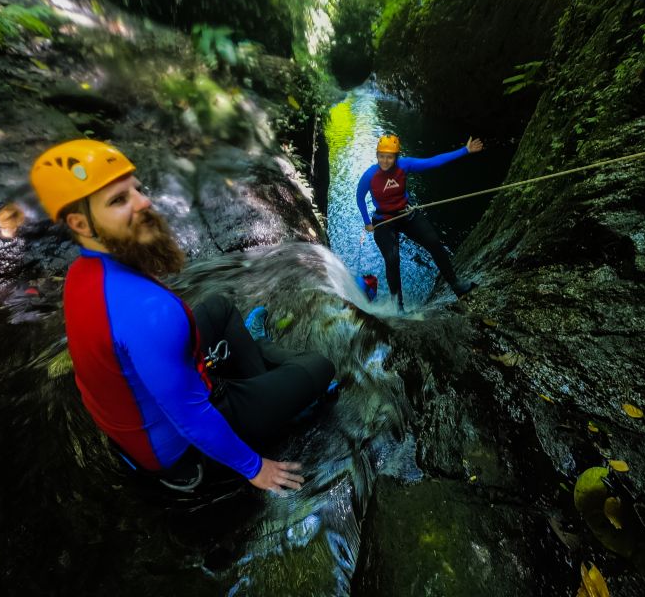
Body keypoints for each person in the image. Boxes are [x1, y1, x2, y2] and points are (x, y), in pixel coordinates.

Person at [30, 139, 335, 494]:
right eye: (118, 200)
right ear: (80, 223)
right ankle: (266, 369)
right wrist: (254, 467)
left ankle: (264, 383)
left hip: (134, 419)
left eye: (137, 190)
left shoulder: (82, 274)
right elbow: (191, 415)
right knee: (320, 366)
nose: (144, 202)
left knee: (219, 306)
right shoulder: (151, 313)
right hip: (176, 446)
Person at [356, 133, 484, 311]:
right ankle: (397, 307)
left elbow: (433, 162)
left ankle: (456, 285)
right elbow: (359, 197)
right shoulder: (370, 175)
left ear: (396, 156)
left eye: (390, 157)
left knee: (433, 242)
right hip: (384, 221)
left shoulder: (404, 165)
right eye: (381, 156)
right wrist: (366, 221)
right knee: (392, 259)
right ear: (377, 155)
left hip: (405, 214)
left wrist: (465, 150)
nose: (385, 161)